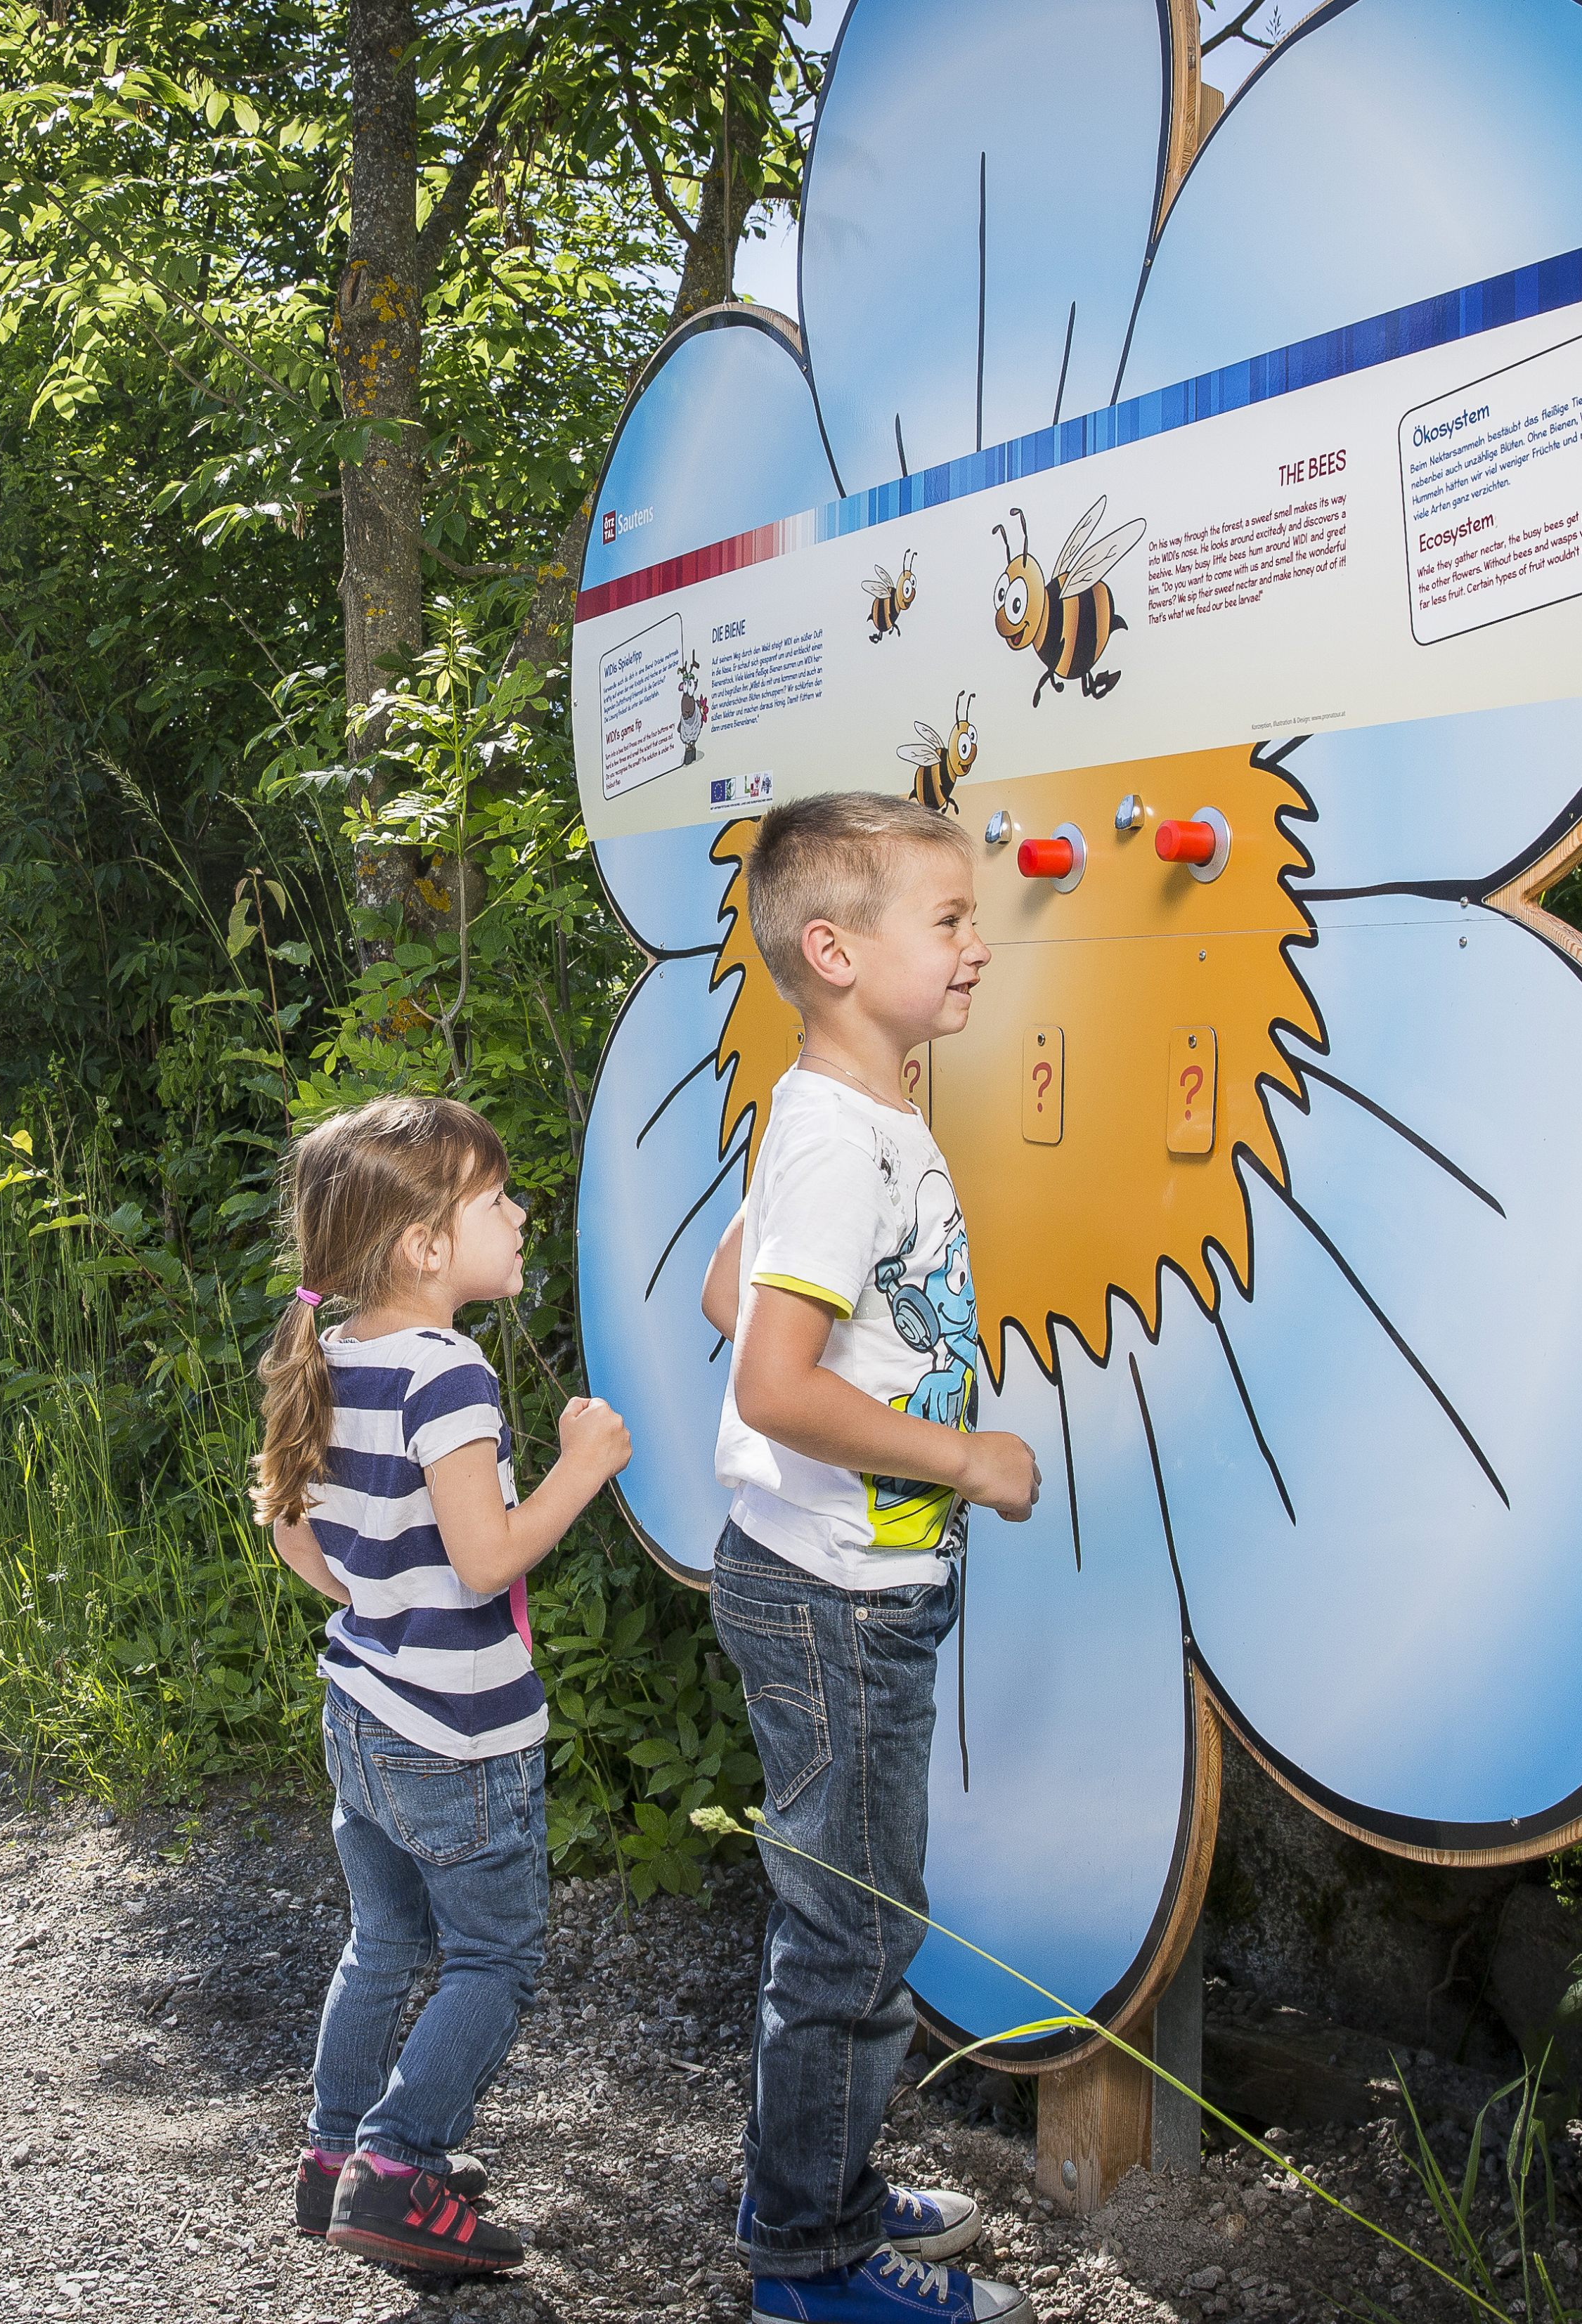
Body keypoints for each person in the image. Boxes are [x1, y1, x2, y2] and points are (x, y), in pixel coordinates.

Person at [698, 791, 1044, 2324]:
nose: (977, 945)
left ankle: (816, 2181)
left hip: (833, 1579)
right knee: (853, 1931)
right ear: (834, 951)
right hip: (836, 1598)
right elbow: (771, 1380)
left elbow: (733, 1293)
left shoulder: (834, 1111)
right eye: (950, 918)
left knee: (852, 1916)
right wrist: (966, 1456)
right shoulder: (846, 1137)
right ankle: (811, 2261)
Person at [253, 1094, 633, 2276]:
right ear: (425, 1246)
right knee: (493, 1956)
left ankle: (333, 2155)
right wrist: (582, 1467)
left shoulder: (334, 1354)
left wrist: (374, 1599)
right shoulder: (447, 1373)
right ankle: (399, 2163)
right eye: (497, 1199)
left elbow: (291, 1530)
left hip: (363, 1711)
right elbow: (487, 1557)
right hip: (458, 1734)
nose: (519, 1216)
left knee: (383, 1936)